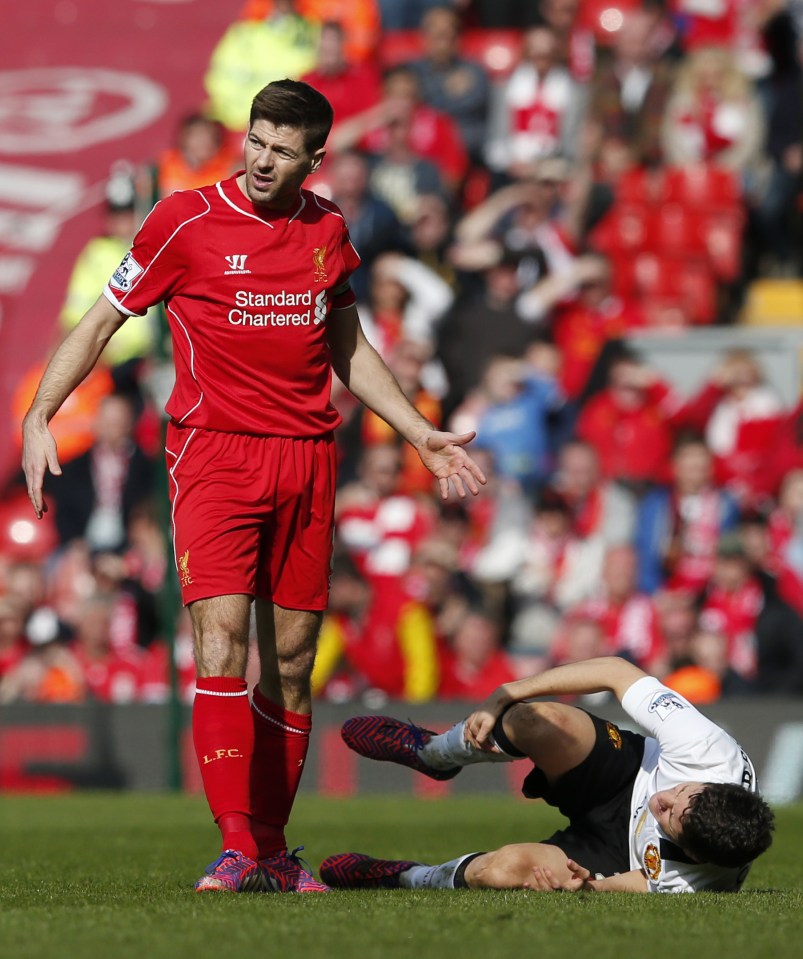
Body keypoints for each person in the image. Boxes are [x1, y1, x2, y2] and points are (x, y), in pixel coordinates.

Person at [21, 80, 486, 895]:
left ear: (315, 158)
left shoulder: (327, 229)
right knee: (222, 643)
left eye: (282, 149)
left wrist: (418, 433)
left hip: (307, 456)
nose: (264, 160)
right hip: (213, 455)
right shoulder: (182, 221)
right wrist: (38, 415)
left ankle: (272, 848)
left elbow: (350, 348)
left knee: (295, 661)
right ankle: (234, 844)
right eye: (257, 141)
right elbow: (99, 320)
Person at [322, 656, 774, 893]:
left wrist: (585, 887)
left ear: (695, 851)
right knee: (534, 719)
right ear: (709, 782)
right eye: (682, 794)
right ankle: (433, 753)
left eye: (672, 818)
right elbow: (617, 672)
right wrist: (508, 693)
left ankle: (402, 876)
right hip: (626, 771)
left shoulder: (697, 883)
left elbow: (635, 884)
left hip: (614, 851)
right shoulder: (706, 748)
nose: (663, 803)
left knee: (501, 872)